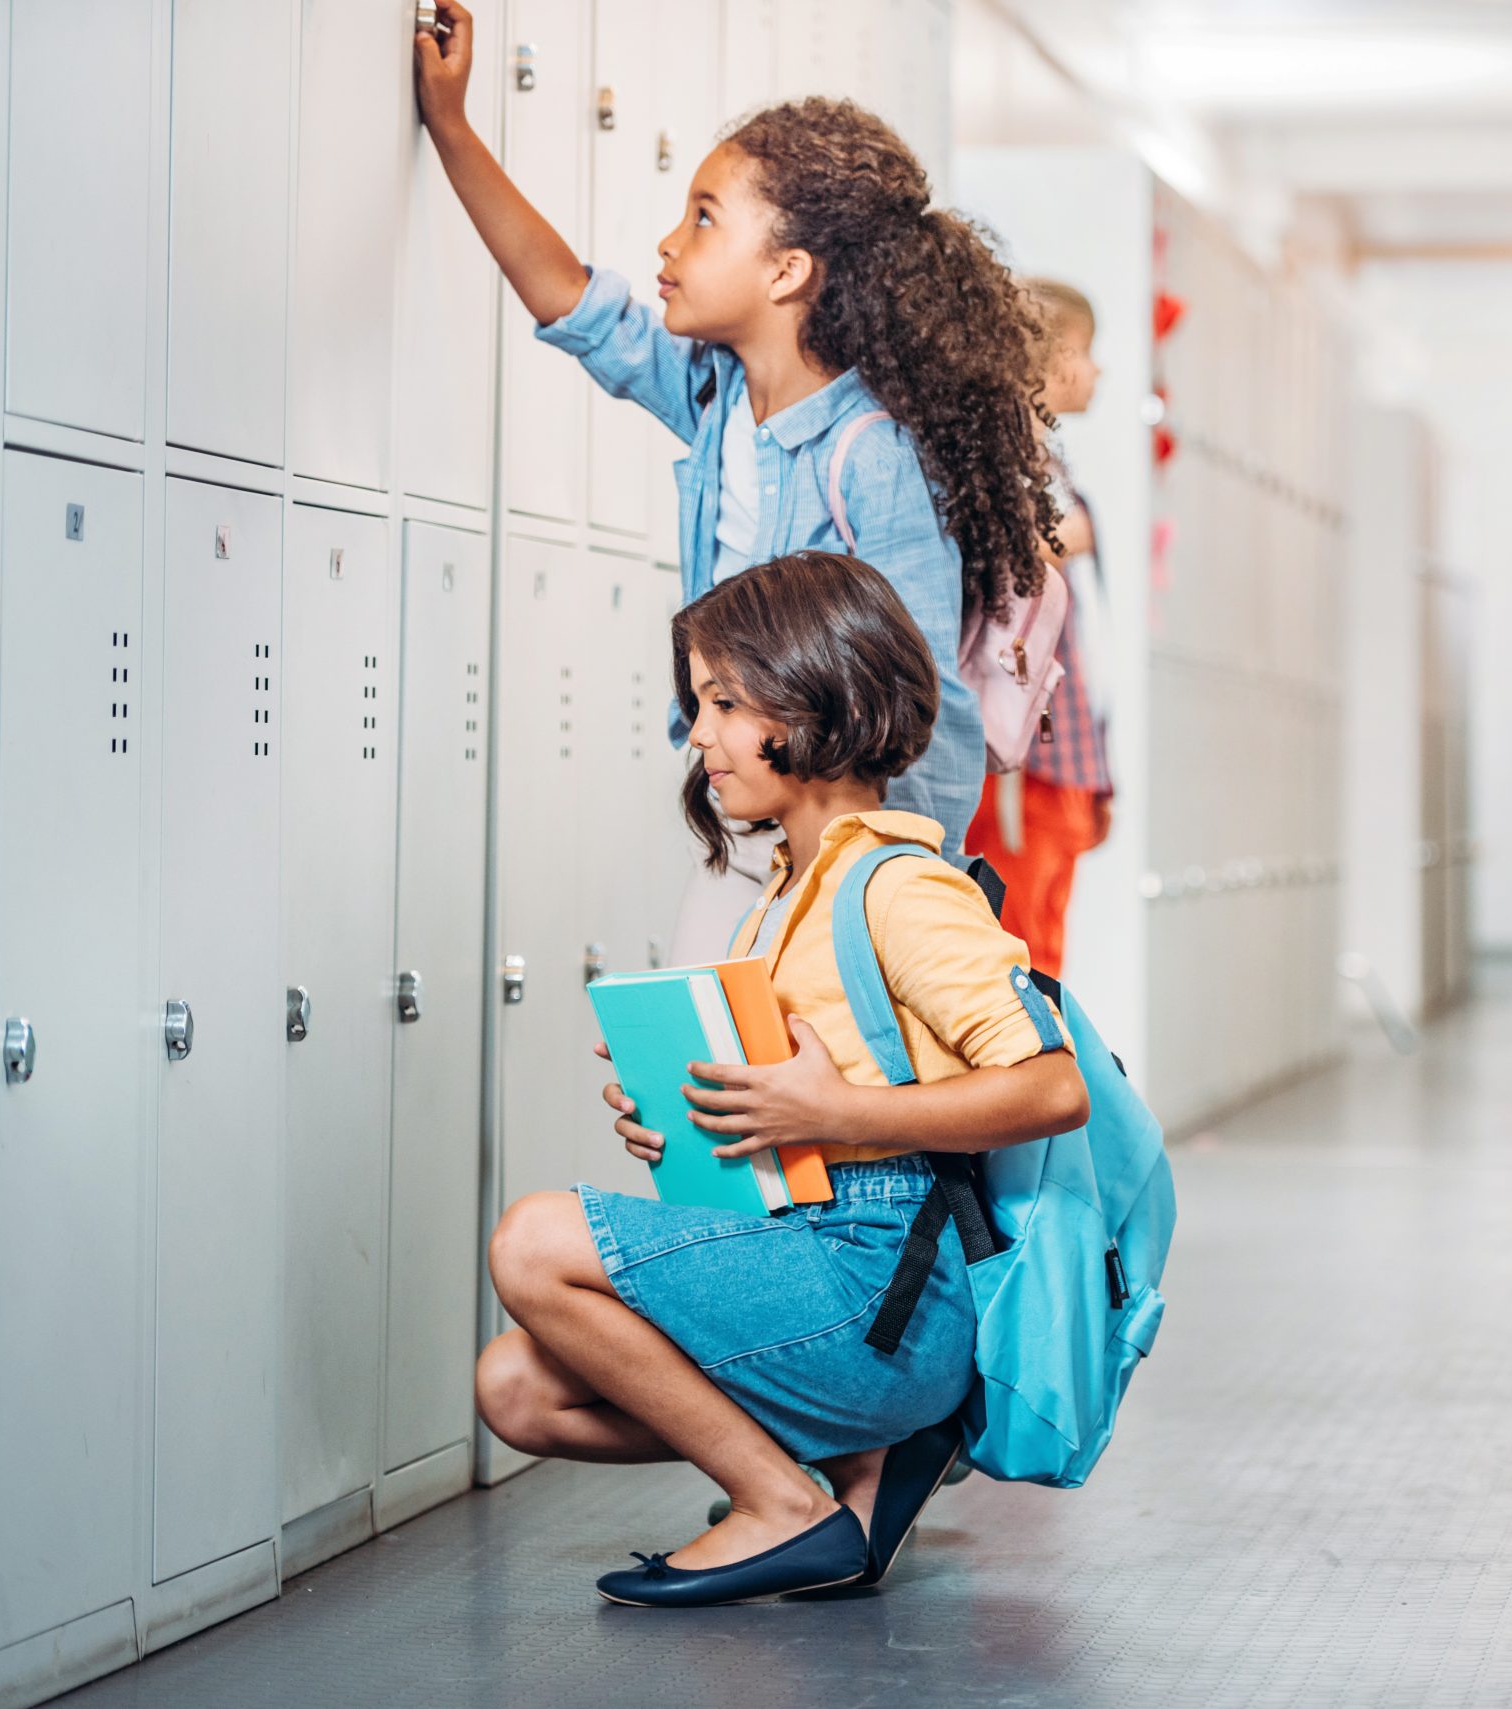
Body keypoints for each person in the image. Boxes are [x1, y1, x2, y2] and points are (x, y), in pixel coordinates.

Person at [473, 552, 1088, 1607]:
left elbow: (1051, 1086)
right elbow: (796, 1110)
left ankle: (784, 1505)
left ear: (817, 693)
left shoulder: (902, 885)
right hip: (807, 1239)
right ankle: (859, 1466)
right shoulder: (785, 893)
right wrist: (688, 1114)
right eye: (697, 702)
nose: (699, 733)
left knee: (530, 1238)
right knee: (516, 1389)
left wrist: (832, 1107)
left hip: (878, 1285)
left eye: (722, 700)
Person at [414, 3, 1055, 932]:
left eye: (705, 219)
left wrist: (909, 883)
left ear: (788, 271)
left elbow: (927, 702)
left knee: (761, 1063)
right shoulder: (719, 399)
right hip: (747, 817)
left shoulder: (874, 457)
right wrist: (452, 125)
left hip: (850, 849)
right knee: (705, 1050)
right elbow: (571, 302)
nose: (670, 244)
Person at [965, 279, 1114, 975]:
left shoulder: (1049, 462)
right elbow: (996, 561)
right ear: (1047, 361)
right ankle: (1030, 1083)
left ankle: (1050, 1079)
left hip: (1064, 756)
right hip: (1024, 758)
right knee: (1019, 948)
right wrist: (1066, 535)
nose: (1097, 371)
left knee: (1046, 944)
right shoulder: (995, 460)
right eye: (1085, 352)